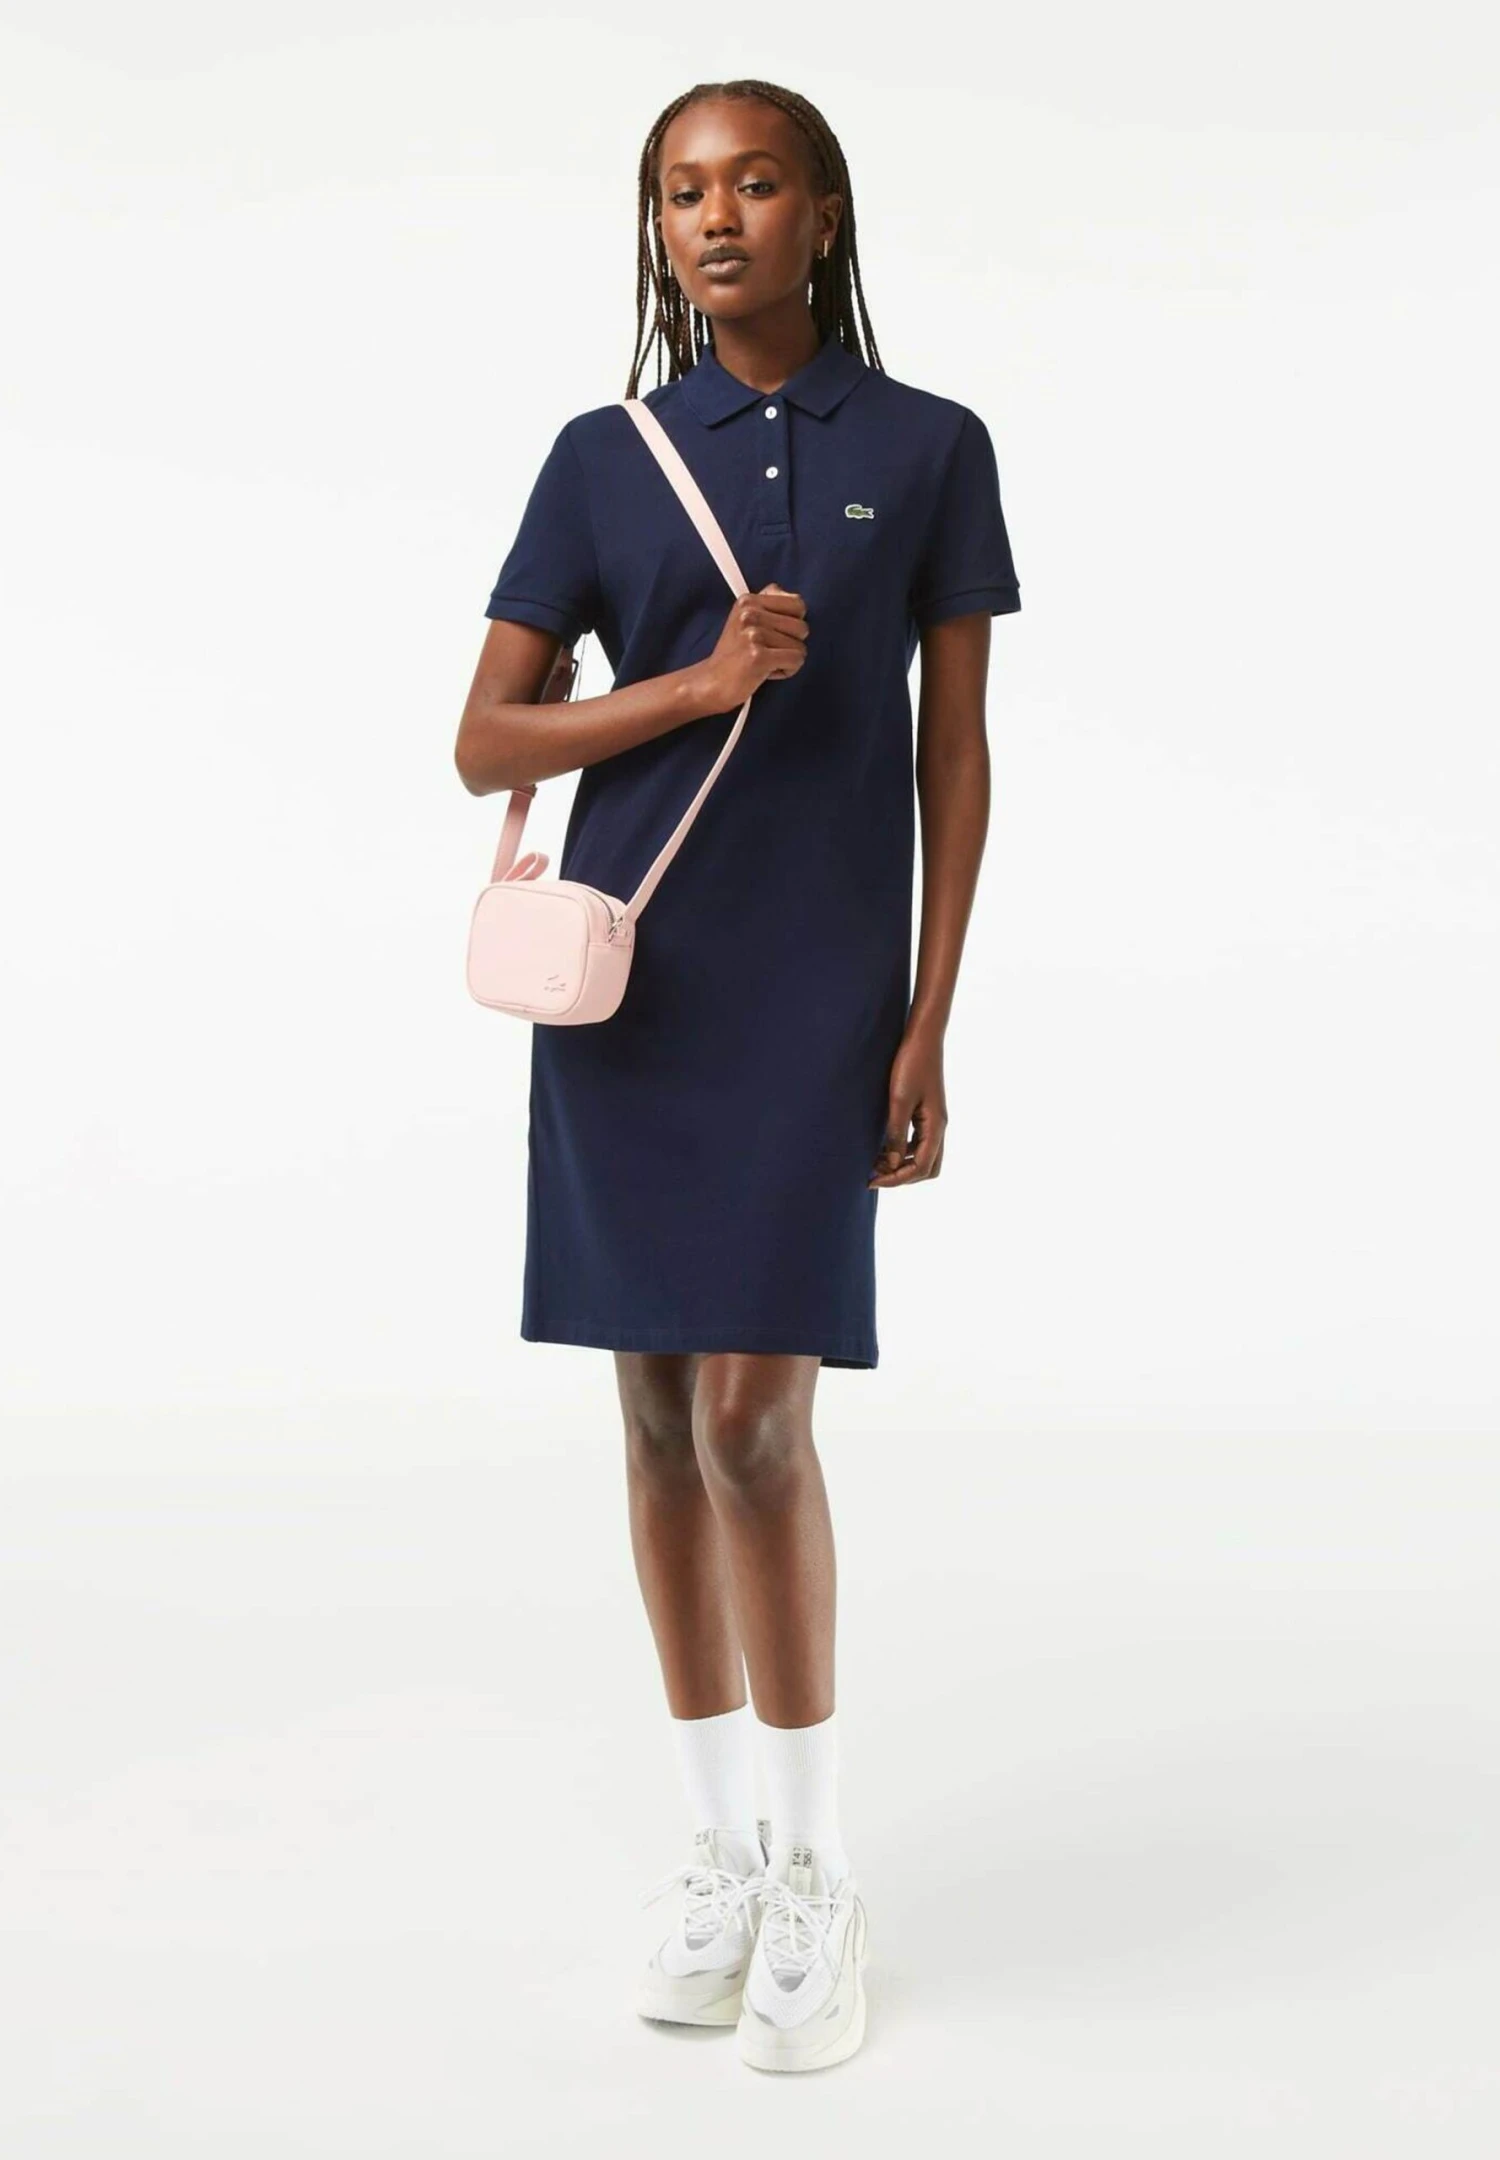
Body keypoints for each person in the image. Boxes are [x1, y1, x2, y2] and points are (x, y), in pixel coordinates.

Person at [454, 77, 1020, 2073]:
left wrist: (928, 1015)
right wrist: (691, 687)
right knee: (652, 1422)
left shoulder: (931, 446)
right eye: (684, 190)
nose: (716, 219)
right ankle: (717, 1856)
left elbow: (953, 752)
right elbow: (485, 742)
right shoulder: (602, 456)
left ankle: (816, 1871)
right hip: (633, 985)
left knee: (756, 1427)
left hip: (815, 996)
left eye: (755, 183)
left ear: (822, 214)